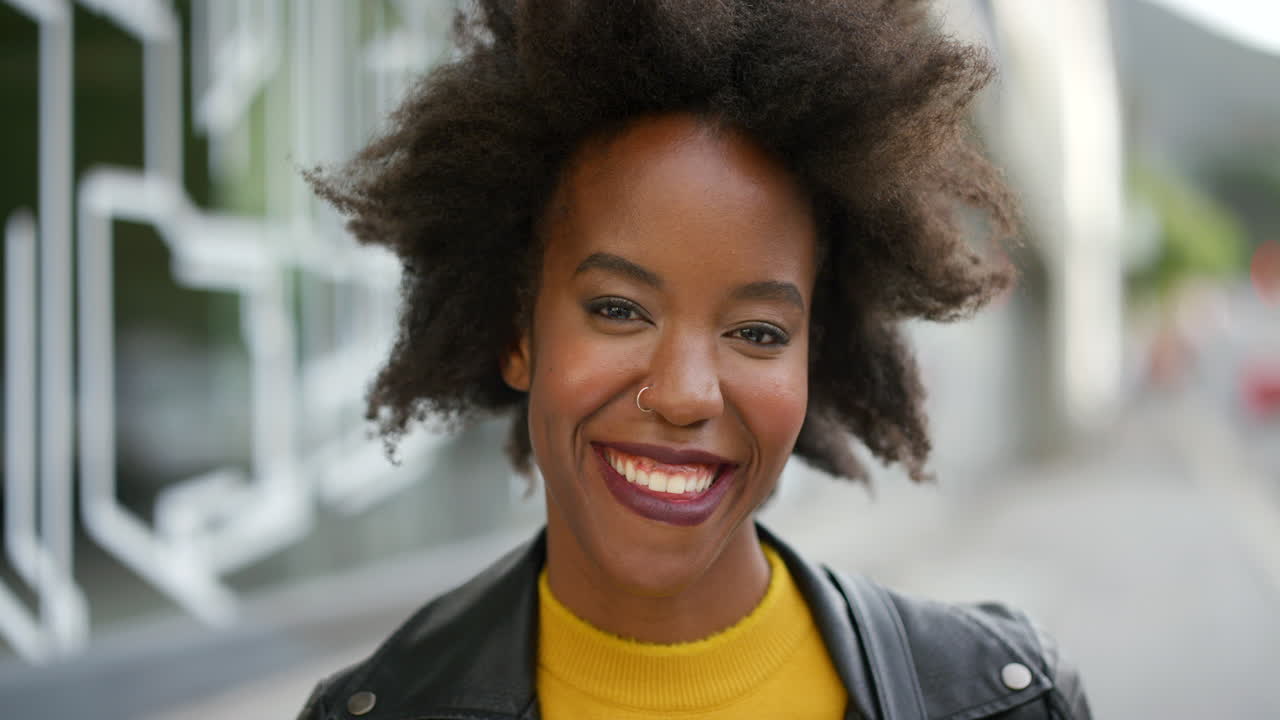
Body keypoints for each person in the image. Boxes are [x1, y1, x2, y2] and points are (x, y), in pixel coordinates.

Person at [297, 1, 1092, 718]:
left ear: (816, 356)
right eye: (618, 310)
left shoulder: (1002, 700)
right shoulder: (382, 709)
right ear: (518, 334)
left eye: (758, 333)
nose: (684, 395)